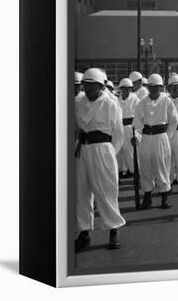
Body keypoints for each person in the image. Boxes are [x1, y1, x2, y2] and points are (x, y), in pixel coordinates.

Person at [74, 68, 125, 251]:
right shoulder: (78, 102)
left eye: (91, 86)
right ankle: (84, 232)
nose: (87, 89)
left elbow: (118, 134)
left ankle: (113, 229)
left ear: (100, 86)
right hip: (82, 149)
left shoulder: (110, 104)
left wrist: (110, 152)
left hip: (102, 149)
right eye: (85, 85)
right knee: (81, 191)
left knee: (106, 190)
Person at [133, 73, 178, 209]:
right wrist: (136, 136)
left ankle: (164, 197)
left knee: (162, 166)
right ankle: (147, 198)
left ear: (160, 87)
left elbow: (173, 120)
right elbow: (137, 123)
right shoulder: (142, 103)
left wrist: (167, 136)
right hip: (146, 138)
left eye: (156, 87)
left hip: (160, 137)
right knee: (145, 167)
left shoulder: (167, 101)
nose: (153, 90)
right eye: (151, 87)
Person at [117, 78, 139, 179]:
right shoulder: (117, 100)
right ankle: (121, 170)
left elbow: (139, 115)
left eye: (128, 88)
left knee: (130, 150)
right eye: (124, 88)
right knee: (120, 150)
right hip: (120, 127)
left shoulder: (135, 100)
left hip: (131, 127)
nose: (126, 90)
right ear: (121, 89)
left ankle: (134, 171)